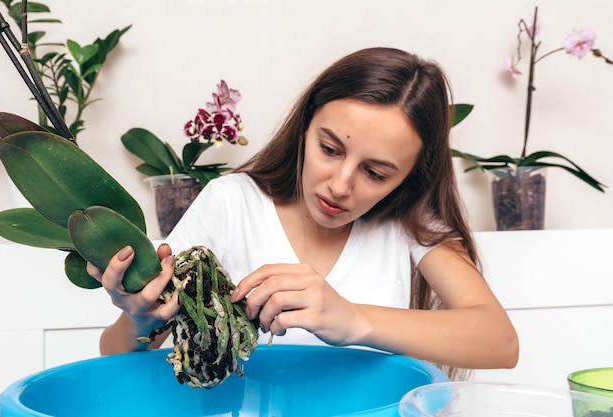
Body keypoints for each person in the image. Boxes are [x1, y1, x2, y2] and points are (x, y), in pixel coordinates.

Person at [90, 47, 519, 379]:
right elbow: (115, 354)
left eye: (375, 172)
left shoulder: (408, 225)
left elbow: (500, 343)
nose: (340, 184)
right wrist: (140, 318)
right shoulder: (231, 203)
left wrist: (352, 320)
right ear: (306, 125)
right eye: (329, 149)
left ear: (408, 177)